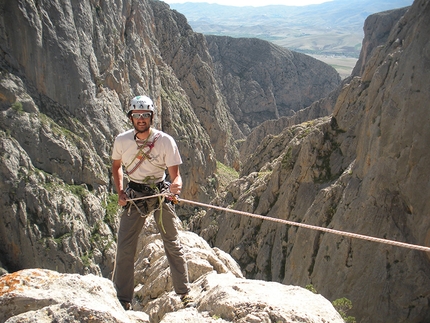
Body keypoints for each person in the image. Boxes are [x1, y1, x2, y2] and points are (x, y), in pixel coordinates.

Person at [111, 95, 194, 310]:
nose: (141, 119)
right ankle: (123, 299)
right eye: (137, 115)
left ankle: (184, 293)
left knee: (172, 243)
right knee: (125, 246)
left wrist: (175, 187)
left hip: (159, 193)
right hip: (135, 195)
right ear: (130, 117)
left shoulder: (165, 141)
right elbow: (116, 166)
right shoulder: (122, 140)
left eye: (145, 115)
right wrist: (120, 191)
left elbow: (175, 176)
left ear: (151, 117)